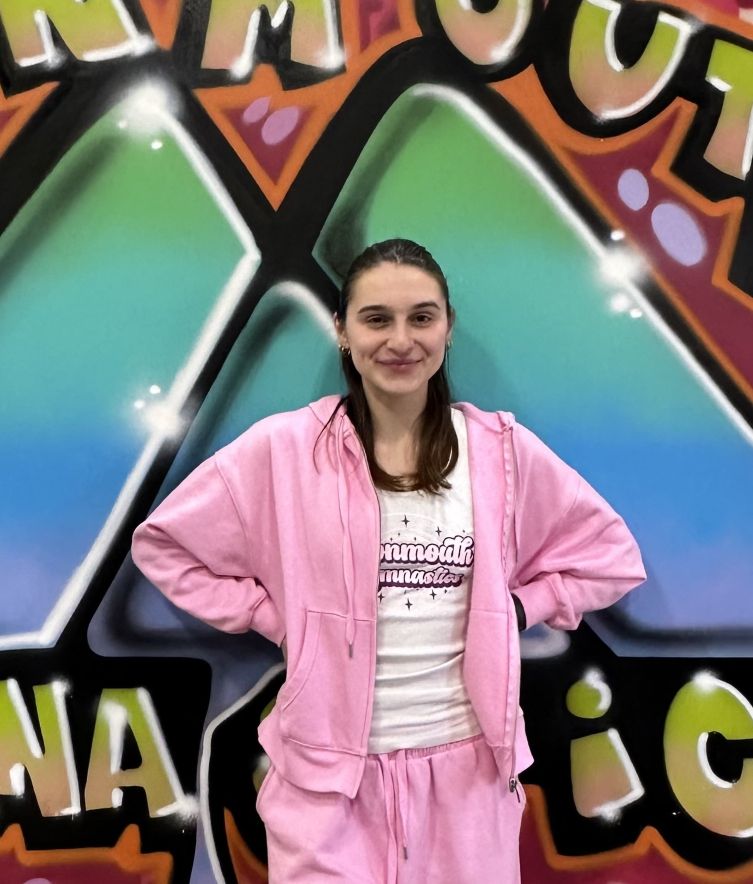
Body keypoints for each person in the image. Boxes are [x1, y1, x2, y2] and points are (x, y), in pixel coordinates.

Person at [132, 238, 645, 883]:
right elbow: (166, 545)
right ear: (343, 332)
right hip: (326, 789)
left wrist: (517, 609)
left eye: (421, 317)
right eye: (377, 319)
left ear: (447, 328)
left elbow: (611, 557)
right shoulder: (285, 450)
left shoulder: (500, 452)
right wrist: (277, 618)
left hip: (467, 781)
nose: (400, 340)